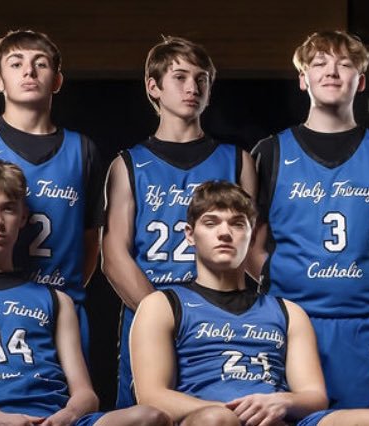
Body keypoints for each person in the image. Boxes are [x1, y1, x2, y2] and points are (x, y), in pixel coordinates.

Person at [0, 160, 168, 426]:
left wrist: (65, 417)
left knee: (150, 417)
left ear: (22, 217)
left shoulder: (56, 299)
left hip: (52, 420)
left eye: (7, 209)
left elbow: (85, 394)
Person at [246, 30, 369, 409]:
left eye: (344, 64)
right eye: (319, 63)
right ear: (302, 78)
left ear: (361, 80)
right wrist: (288, 288)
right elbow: (249, 248)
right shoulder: (271, 152)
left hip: (366, 325)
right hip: (288, 321)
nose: (332, 72)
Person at [130, 181, 369, 425]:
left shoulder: (287, 312)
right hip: (206, 418)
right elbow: (152, 395)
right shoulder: (162, 304)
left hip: (275, 419)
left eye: (237, 224)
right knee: (216, 420)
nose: (224, 233)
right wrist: (230, 411)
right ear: (190, 235)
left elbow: (314, 395)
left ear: (253, 235)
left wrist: (283, 401)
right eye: (211, 223)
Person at [103, 36, 256, 408]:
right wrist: (162, 317)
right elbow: (113, 255)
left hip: (221, 314)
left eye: (201, 79)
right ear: (153, 87)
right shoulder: (128, 163)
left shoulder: (238, 160)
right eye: (180, 77)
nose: (193, 88)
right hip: (152, 306)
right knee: (150, 414)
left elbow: (251, 246)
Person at [0, 29, 106, 352]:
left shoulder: (84, 150)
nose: (29, 71)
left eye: (40, 64)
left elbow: (90, 242)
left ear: (57, 81)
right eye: (16, 64)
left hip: (58, 310)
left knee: (70, 400)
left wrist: (58, 299)